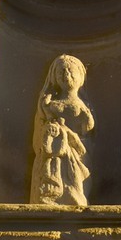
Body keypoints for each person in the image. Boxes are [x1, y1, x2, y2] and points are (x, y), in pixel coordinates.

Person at [30, 54, 94, 207]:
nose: (66, 75)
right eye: (61, 72)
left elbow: (88, 127)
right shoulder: (51, 102)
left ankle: (73, 197)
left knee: (74, 178)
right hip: (53, 148)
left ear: (80, 76)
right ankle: (50, 198)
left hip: (74, 151)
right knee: (51, 173)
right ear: (55, 77)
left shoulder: (81, 105)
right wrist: (44, 110)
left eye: (71, 71)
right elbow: (41, 124)